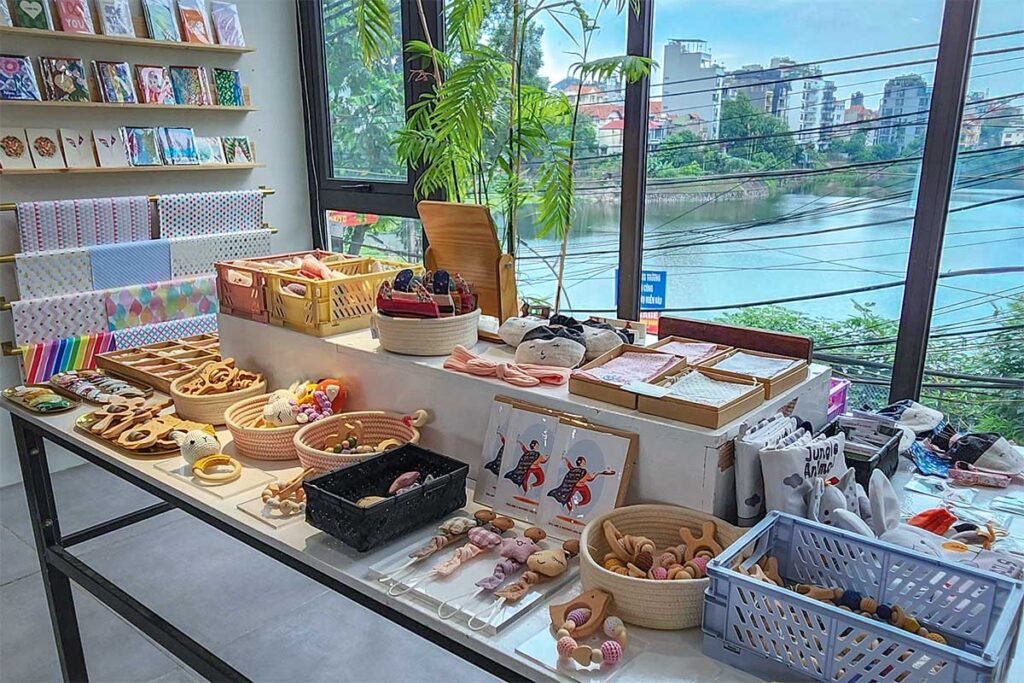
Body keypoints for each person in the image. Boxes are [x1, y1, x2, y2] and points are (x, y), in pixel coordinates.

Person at [546, 456, 616, 512]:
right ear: (581, 463)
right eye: (583, 462)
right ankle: (572, 509)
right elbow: (589, 479)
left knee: (585, 498)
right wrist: (595, 474)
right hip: (576, 487)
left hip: (580, 487)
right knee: (580, 498)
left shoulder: (574, 470)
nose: (584, 463)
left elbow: (569, 465)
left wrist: (566, 459)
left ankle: (575, 506)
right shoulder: (583, 471)